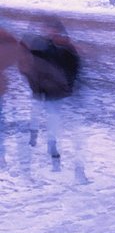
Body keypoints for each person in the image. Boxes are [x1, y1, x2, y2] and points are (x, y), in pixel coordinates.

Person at [23, 18, 81, 177]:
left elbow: (73, 67)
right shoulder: (38, 44)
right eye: (47, 28)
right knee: (36, 111)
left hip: (54, 90)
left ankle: (52, 144)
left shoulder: (64, 47)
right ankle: (34, 133)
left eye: (52, 28)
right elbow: (29, 65)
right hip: (40, 88)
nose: (49, 31)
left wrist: (67, 84)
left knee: (52, 116)